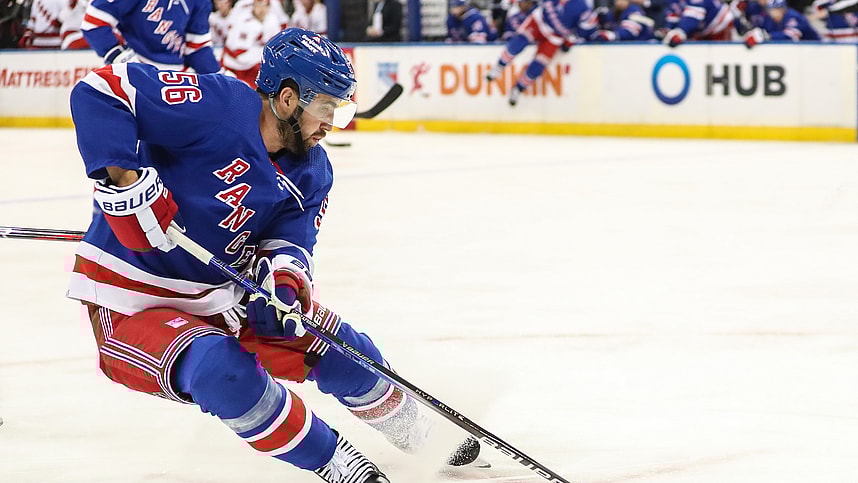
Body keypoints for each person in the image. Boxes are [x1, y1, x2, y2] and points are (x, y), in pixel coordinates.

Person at [67, 27, 481, 483]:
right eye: (326, 109)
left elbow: (290, 242)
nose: (331, 124)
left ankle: (416, 430)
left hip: (223, 293)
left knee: (344, 348)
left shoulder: (312, 170)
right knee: (223, 371)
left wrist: (282, 282)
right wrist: (124, 181)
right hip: (132, 300)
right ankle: (335, 461)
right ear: (286, 99)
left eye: (339, 112)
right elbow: (101, 90)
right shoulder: (218, 106)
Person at [485, 0, 598, 106]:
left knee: (539, 64)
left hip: (555, 37)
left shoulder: (583, 8)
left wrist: (570, 41)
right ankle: (499, 66)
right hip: (539, 21)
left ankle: (518, 88)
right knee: (521, 40)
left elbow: (586, 28)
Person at [80, 0, 219, 73]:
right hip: (135, 75)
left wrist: (219, 78)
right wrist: (122, 59)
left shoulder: (201, 2)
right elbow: (93, 23)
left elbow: (198, 48)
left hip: (175, 79)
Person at [221, 0, 282, 87]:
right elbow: (239, 54)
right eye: (258, 6)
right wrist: (264, 53)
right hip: (232, 65)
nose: (261, 10)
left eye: (264, 6)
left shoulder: (272, 20)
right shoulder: (244, 21)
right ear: (253, 6)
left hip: (251, 66)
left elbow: (276, 47)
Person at [742, 0, 820, 46]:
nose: (774, 13)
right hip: (799, 52)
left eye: (777, 9)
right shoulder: (771, 19)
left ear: (783, 9)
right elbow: (765, 31)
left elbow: (791, 36)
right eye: (772, 10)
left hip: (816, 48)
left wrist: (766, 36)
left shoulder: (793, 16)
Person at [661, 0, 735, 47]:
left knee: (720, 55)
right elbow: (674, 13)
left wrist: (680, 32)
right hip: (700, 29)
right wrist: (668, 29)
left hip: (719, 25)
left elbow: (693, 17)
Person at [589, 0, 656, 41]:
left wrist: (612, 35)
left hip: (643, 47)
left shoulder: (635, 10)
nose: (619, 2)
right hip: (625, 48)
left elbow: (629, 32)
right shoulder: (611, 11)